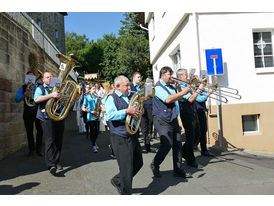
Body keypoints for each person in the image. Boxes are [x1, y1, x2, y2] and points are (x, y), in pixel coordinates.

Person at [150, 66, 192, 178]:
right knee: (167, 144)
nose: (171, 77)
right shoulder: (157, 87)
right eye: (169, 74)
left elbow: (177, 97)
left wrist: (179, 88)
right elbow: (168, 99)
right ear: (163, 75)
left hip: (172, 118)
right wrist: (183, 92)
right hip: (162, 119)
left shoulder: (170, 86)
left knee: (178, 145)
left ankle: (178, 169)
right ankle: (155, 164)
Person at [105, 75, 143, 195]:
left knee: (138, 163)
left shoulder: (132, 96)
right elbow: (110, 116)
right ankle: (126, 193)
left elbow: (137, 110)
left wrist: (140, 112)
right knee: (126, 169)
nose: (129, 87)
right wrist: (127, 111)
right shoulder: (111, 98)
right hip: (119, 136)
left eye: (128, 84)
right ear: (117, 86)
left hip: (132, 133)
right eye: (126, 85)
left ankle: (117, 179)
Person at [34, 71, 64, 175]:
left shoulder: (57, 87)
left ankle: (57, 161)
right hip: (46, 117)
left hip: (58, 116)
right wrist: (51, 95)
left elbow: (63, 101)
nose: (50, 79)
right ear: (43, 79)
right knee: (50, 140)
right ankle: (51, 164)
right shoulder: (40, 88)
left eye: (51, 77)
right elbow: (37, 99)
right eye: (47, 77)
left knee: (58, 140)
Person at [176, 69, 204, 168]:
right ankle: (190, 158)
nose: (187, 77)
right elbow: (191, 99)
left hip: (193, 111)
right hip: (186, 113)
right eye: (185, 75)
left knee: (197, 134)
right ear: (180, 77)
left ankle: (184, 151)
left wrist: (197, 83)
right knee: (190, 136)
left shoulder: (186, 84)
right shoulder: (180, 86)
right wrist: (199, 89)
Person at [15, 71, 43, 156]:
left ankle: (39, 149)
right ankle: (31, 150)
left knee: (40, 131)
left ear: (34, 78)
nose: (30, 79)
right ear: (26, 78)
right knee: (29, 131)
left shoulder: (38, 86)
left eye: (32, 77)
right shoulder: (23, 87)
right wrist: (24, 95)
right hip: (27, 111)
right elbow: (17, 99)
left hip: (38, 110)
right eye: (29, 77)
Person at [81, 84, 101, 153]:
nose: (94, 90)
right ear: (89, 90)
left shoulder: (97, 97)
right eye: (93, 89)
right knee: (92, 131)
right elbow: (83, 108)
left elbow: (101, 105)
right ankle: (93, 145)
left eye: (95, 89)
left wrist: (100, 109)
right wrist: (90, 111)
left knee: (97, 131)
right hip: (90, 117)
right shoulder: (86, 97)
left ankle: (94, 142)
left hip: (97, 116)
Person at [194, 88, 214, 156]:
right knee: (199, 131)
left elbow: (204, 97)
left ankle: (204, 150)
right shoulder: (194, 90)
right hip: (197, 111)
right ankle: (194, 146)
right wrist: (208, 93)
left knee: (203, 130)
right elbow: (200, 99)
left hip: (201, 111)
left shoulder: (200, 90)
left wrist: (207, 92)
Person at [140, 77, 157, 153]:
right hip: (142, 107)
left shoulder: (152, 88)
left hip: (150, 106)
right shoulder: (140, 87)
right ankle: (147, 145)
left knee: (151, 122)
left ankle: (149, 135)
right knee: (144, 128)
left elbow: (153, 97)